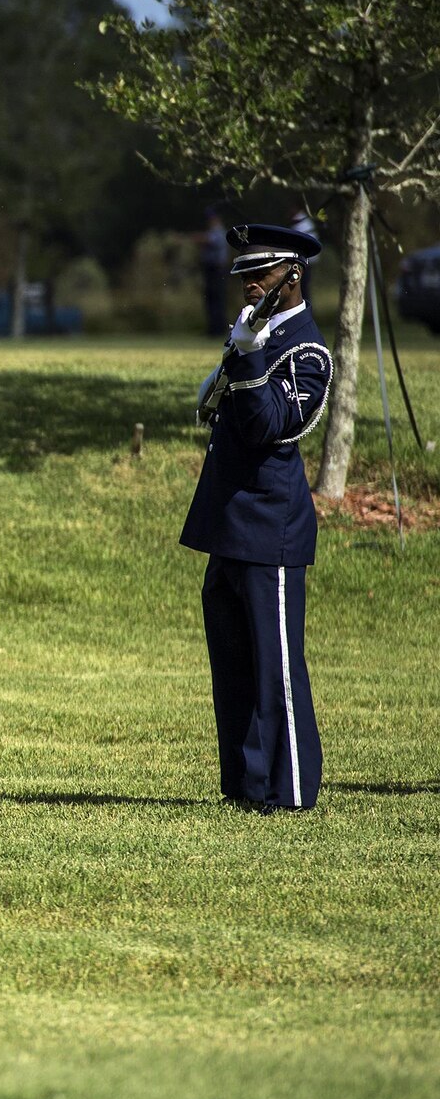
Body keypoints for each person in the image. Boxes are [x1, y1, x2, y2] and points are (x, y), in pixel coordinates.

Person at [182, 223, 331, 813]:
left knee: (276, 666)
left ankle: (290, 789)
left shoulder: (308, 351)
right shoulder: (258, 333)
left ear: (292, 276)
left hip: (271, 525)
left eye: (260, 274)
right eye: (244, 274)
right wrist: (242, 352)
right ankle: (247, 786)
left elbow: (272, 426)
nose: (248, 285)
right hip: (231, 520)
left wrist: (250, 354)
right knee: (234, 663)